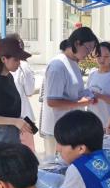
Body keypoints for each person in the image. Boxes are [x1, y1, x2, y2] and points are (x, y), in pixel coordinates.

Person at [39, 28, 98, 157]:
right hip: (56, 129)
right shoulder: (58, 66)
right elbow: (52, 101)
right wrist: (79, 103)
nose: (88, 54)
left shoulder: (73, 63)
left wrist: (89, 94)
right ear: (77, 43)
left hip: (69, 127)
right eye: (88, 49)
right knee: (57, 164)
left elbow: (75, 91)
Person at [0, 36, 33, 145]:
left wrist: (21, 121)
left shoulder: (9, 77)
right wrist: (15, 121)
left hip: (12, 132)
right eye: (16, 59)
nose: (19, 63)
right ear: (4, 59)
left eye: (20, 60)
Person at [85, 42, 110, 128]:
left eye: (106, 56)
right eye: (99, 56)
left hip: (109, 125)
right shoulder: (92, 74)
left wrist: (100, 96)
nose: (102, 60)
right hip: (92, 124)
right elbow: (87, 94)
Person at [13, 55, 37, 151]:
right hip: (23, 117)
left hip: (3, 121)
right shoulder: (23, 66)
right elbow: (29, 91)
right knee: (27, 153)